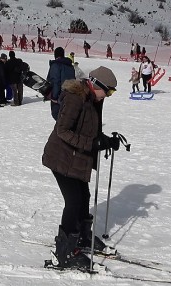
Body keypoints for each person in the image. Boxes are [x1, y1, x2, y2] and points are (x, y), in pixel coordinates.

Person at [42, 66, 120, 270]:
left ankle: (83, 237)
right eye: (109, 91)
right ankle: (63, 252)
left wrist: (106, 141)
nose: (109, 96)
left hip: (77, 158)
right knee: (74, 201)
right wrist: (92, 145)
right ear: (96, 85)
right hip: (61, 157)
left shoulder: (94, 100)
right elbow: (63, 131)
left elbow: (90, 130)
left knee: (83, 197)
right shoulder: (75, 98)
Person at [47, 47, 76, 120]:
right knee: (66, 117)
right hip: (70, 95)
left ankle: (61, 130)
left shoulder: (56, 65)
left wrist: (54, 96)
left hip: (59, 96)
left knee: (57, 115)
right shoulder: (70, 66)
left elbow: (55, 81)